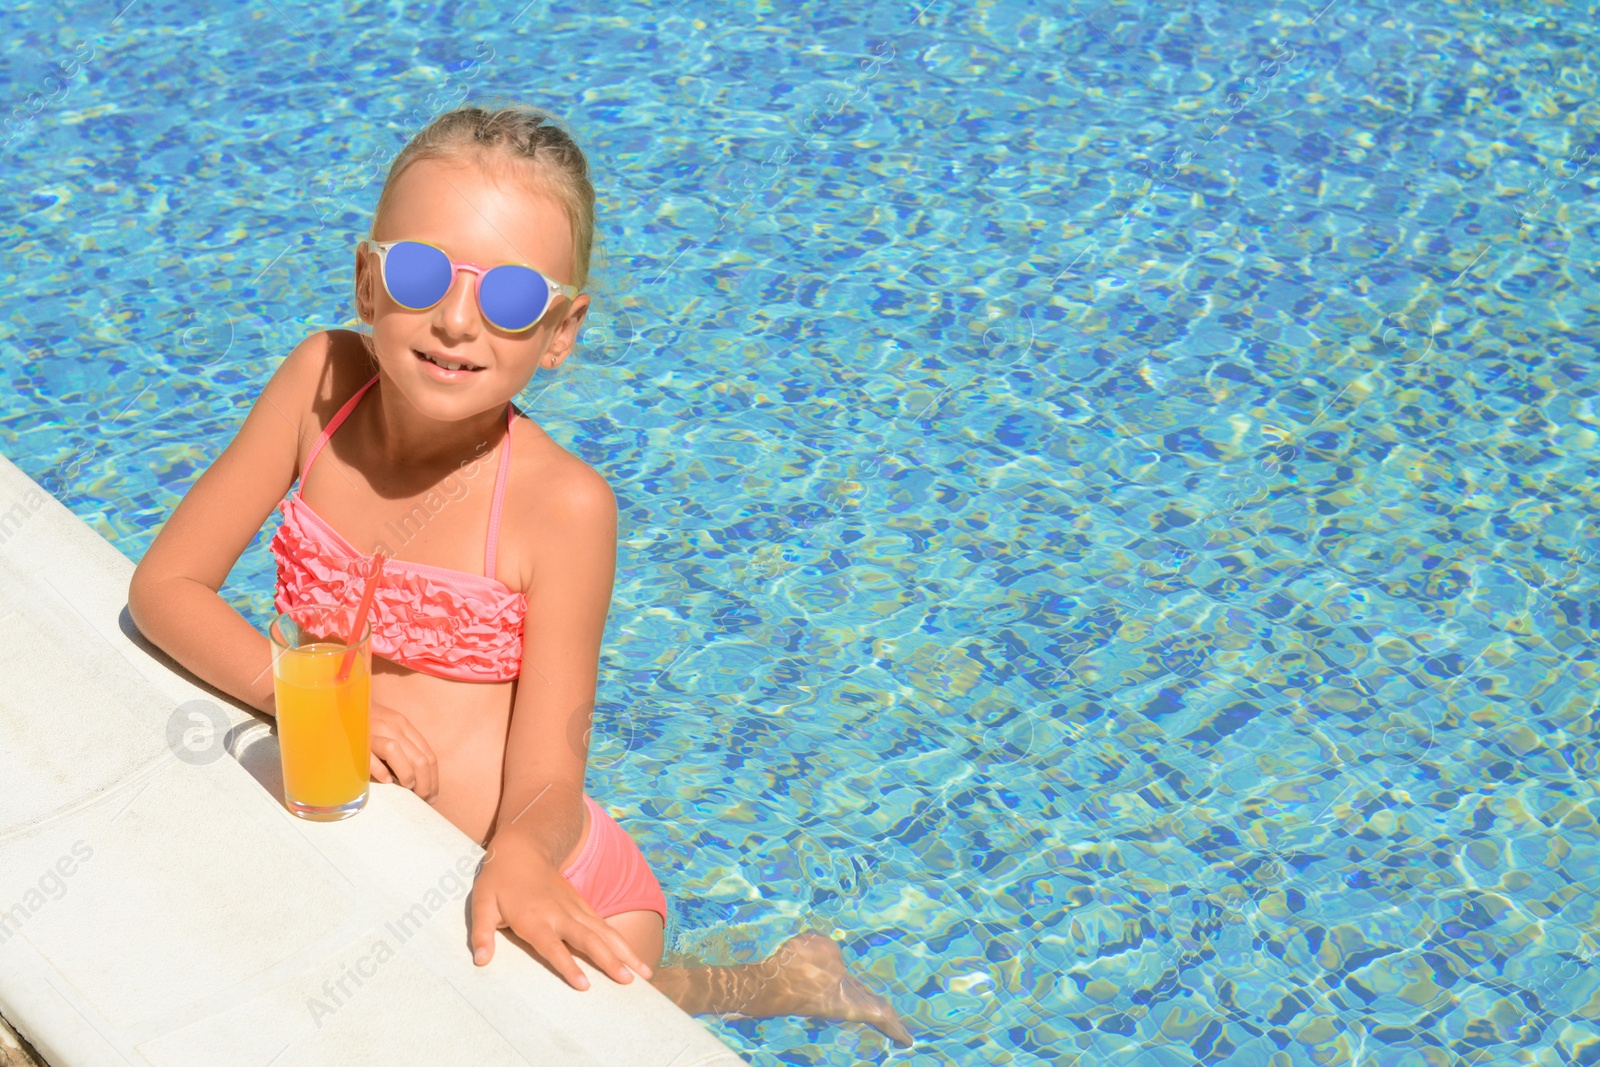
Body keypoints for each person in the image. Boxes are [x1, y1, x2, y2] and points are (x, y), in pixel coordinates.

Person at [126, 103, 909, 1047]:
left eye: (509, 298)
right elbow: (165, 587)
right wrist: (315, 706)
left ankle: (781, 981)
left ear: (562, 329)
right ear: (367, 281)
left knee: (615, 1021)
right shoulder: (319, 384)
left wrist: (523, 855)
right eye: (422, 274)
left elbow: (550, 765)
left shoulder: (564, 505)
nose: (458, 320)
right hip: (377, 836)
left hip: (539, 866)